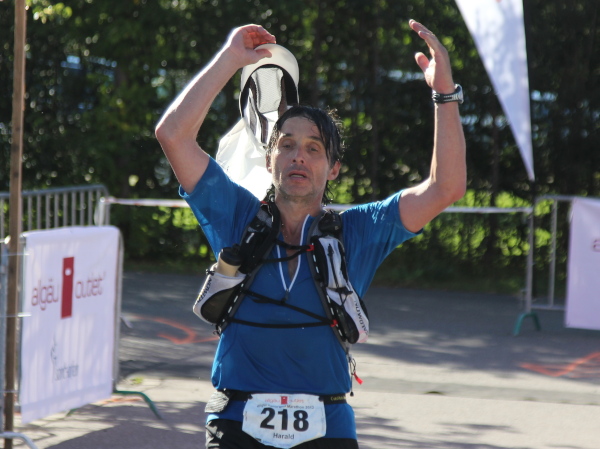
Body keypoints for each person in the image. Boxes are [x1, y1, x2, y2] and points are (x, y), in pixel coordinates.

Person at [155, 20, 466, 449]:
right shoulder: (237, 216)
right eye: (286, 145)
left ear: (333, 168)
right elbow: (172, 135)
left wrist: (445, 93)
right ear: (269, 160)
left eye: (313, 148)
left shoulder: (360, 230)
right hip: (236, 419)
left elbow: (446, 187)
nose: (298, 156)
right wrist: (230, 58)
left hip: (327, 423)